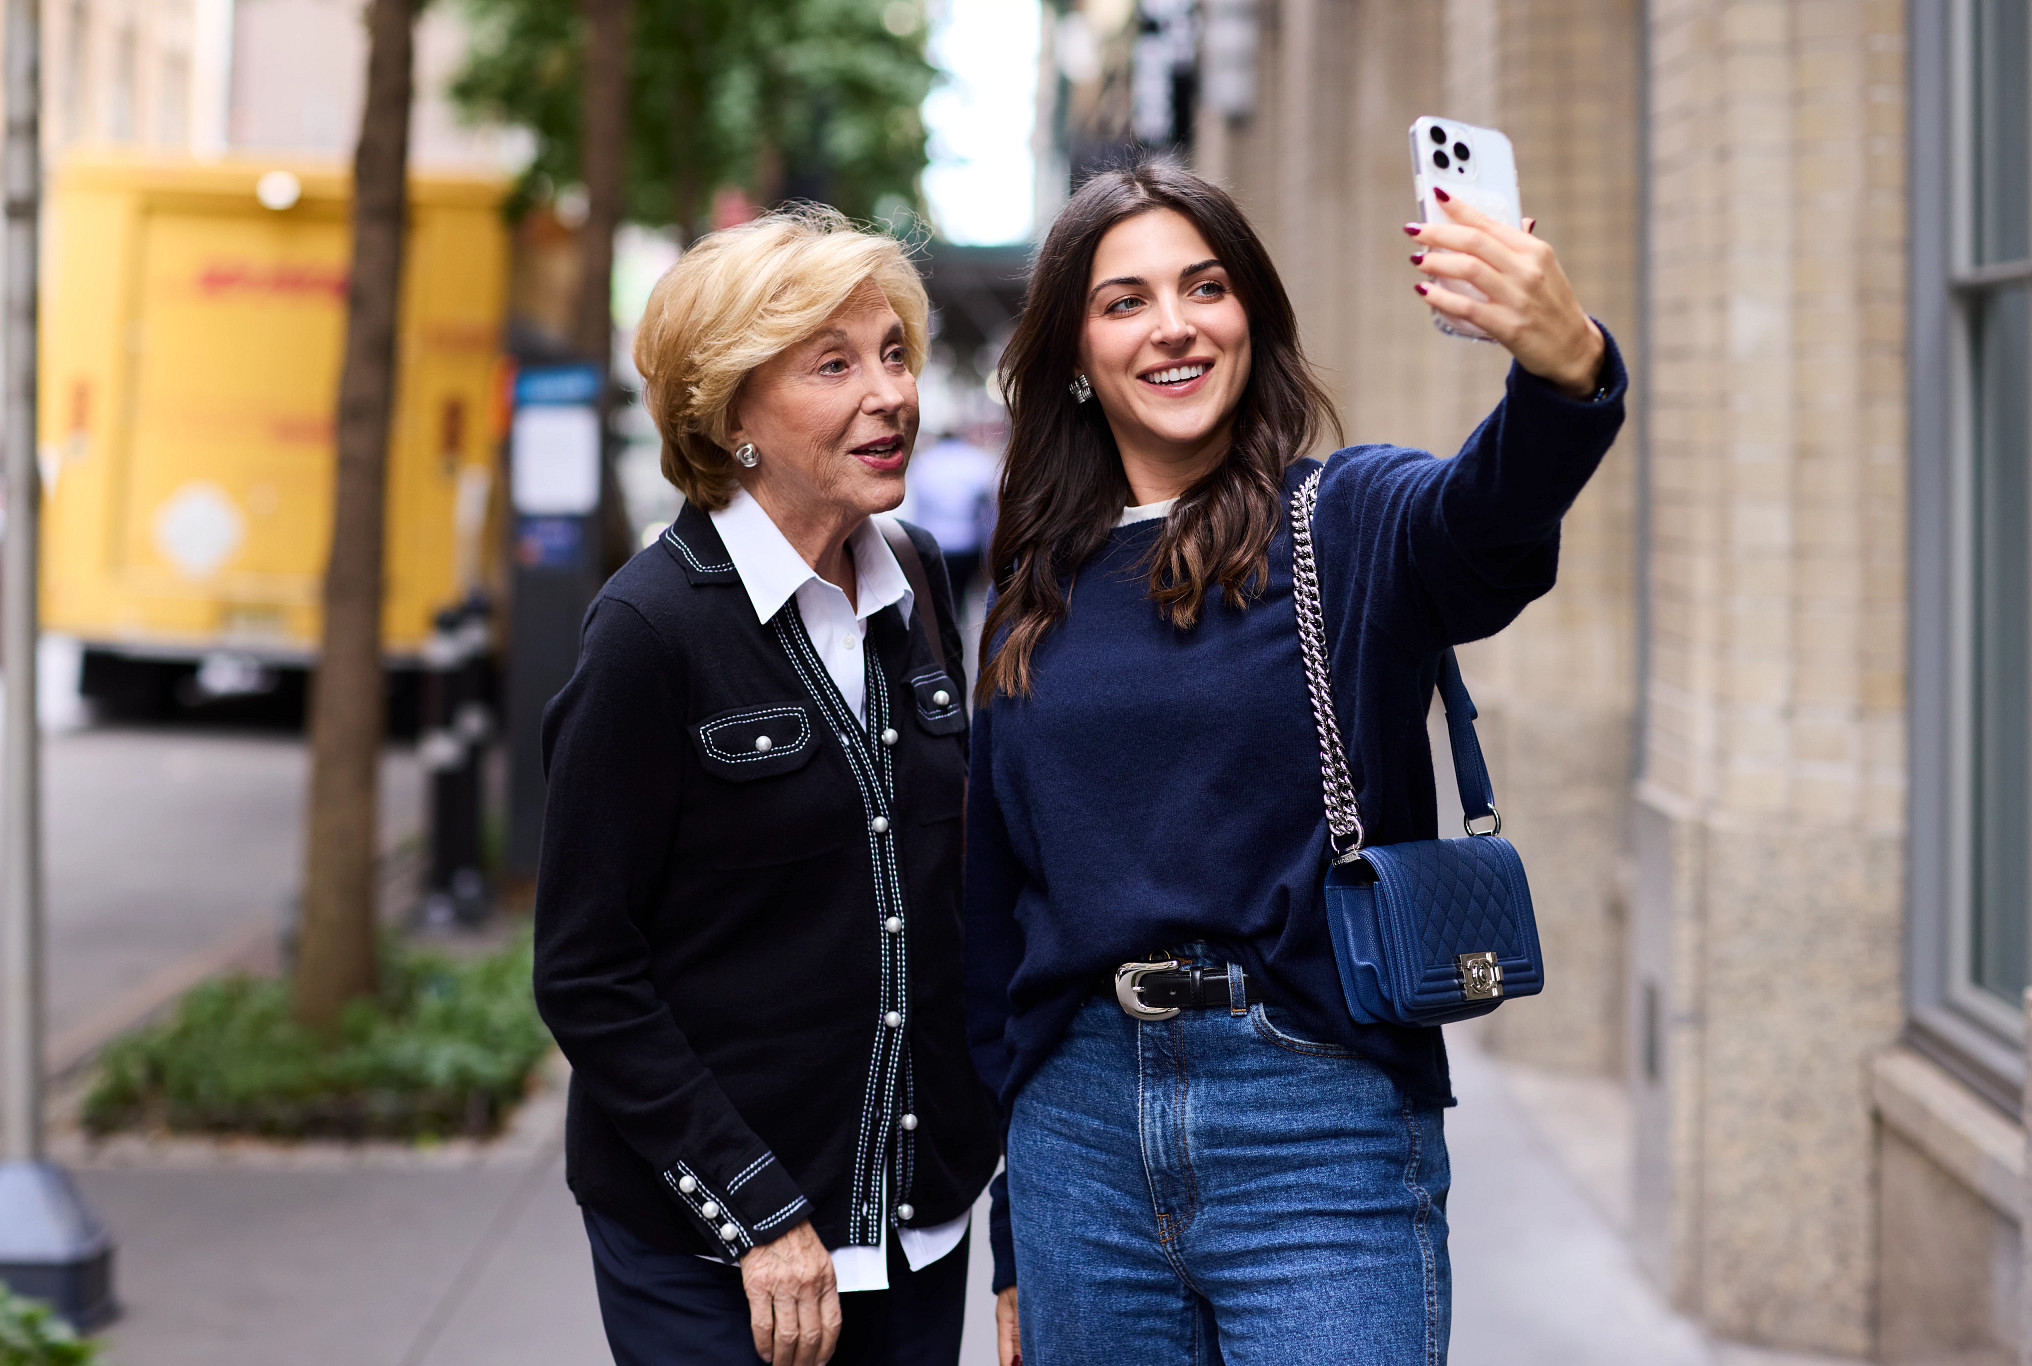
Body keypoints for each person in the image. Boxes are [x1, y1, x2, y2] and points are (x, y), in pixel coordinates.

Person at [963, 161, 1625, 1365]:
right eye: (1123, 301)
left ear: (1249, 319)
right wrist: (1015, 1233)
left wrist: (1560, 364)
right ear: (1071, 351)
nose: (1172, 325)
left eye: (1203, 287)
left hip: (1311, 1124)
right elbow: (999, 920)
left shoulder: (1346, 519)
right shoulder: (1031, 594)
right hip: (1077, 1144)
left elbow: (1486, 523)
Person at [534, 207, 998, 1366]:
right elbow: (587, 974)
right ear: (732, 410)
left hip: (913, 1232)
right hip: (718, 1256)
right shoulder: (648, 628)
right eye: (832, 364)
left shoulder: (921, 581)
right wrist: (756, 1209)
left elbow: (953, 901)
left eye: (893, 353)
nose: (888, 393)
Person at [896, 426, 999, 609]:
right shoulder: (976, 460)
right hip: (969, 544)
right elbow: (989, 507)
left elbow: (917, 508)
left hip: (937, 544)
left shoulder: (925, 462)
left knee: (944, 596)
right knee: (966, 595)